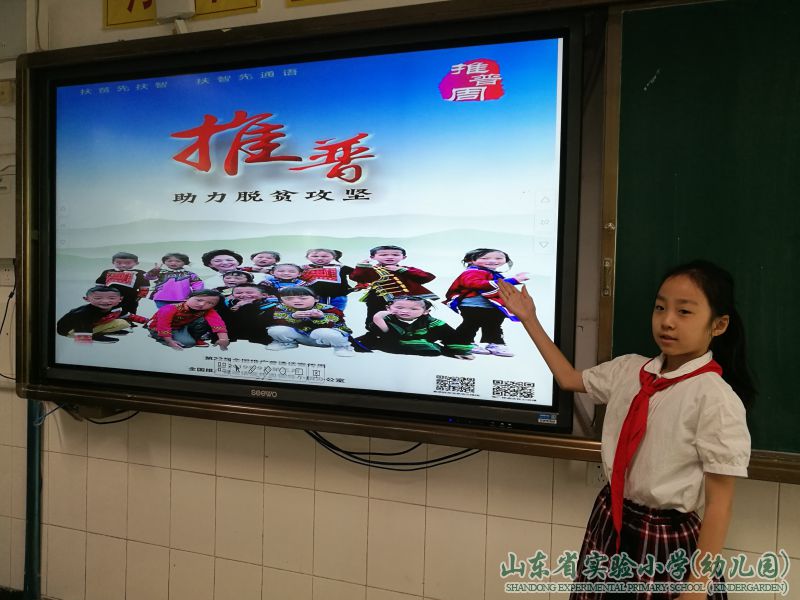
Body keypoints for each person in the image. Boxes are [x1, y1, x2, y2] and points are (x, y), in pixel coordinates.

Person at [498, 260, 754, 600]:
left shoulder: (715, 399)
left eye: (684, 311)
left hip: (665, 538)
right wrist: (529, 318)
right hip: (611, 517)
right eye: (660, 307)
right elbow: (569, 379)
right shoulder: (630, 370)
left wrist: (696, 589)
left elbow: (720, 505)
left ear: (718, 325)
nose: (667, 321)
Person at [444, 248, 529, 357]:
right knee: (472, 324)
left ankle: (495, 343)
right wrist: (513, 280)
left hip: (492, 305)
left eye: (498, 258)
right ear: (470, 260)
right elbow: (476, 284)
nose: (493, 261)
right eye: (485, 258)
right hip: (473, 305)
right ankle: (461, 342)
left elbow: (496, 285)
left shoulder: (492, 273)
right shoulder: (472, 272)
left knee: (494, 324)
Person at [354, 296, 473, 358]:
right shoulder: (387, 318)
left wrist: (458, 350)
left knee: (431, 349)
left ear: (425, 311)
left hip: (421, 344)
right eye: (399, 308)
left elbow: (451, 336)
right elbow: (378, 334)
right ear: (388, 308)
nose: (405, 311)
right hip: (392, 344)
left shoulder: (433, 322)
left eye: (413, 309)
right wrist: (378, 318)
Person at [350, 245, 437, 327]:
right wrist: (361, 266)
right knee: (376, 317)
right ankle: (377, 333)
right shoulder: (371, 270)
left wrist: (403, 270)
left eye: (395, 255)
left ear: (403, 257)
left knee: (419, 317)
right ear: (373, 257)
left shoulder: (407, 269)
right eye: (383, 255)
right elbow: (356, 277)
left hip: (409, 299)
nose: (390, 257)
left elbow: (428, 277)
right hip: (380, 298)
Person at [266, 286, 354, 356]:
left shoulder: (328, 308)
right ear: (281, 300)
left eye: (303, 298)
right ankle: (286, 343)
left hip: (323, 339)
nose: (296, 301)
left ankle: (342, 347)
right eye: (289, 299)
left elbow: (336, 322)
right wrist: (292, 316)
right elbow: (276, 319)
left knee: (322, 332)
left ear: (316, 299)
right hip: (300, 337)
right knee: (275, 330)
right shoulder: (281, 308)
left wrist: (321, 317)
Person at [57, 285, 149, 343]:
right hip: (71, 330)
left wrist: (148, 321)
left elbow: (130, 316)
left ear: (120, 299)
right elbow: (82, 327)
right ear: (87, 299)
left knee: (124, 323)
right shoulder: (84, 313)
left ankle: (101, 332)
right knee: (85, 329)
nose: (105, 301)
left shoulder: (117, 308)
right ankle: (94, 335)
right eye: (98, 298)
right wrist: (87, 338)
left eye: (111, 298)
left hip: (93, 325)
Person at [148, 289, 230, 351]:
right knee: (186, 343)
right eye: (199, 300)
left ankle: (195, 338)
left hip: (181, 327)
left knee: (203, 322)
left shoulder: (208, 310)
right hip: (158, 327)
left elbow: (217, 323)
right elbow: (163, 325)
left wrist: (223, 339)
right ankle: (157, 336)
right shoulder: (170, 308)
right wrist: (169, 341)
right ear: (188, 298)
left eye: (210, 303)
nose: (202, 304)